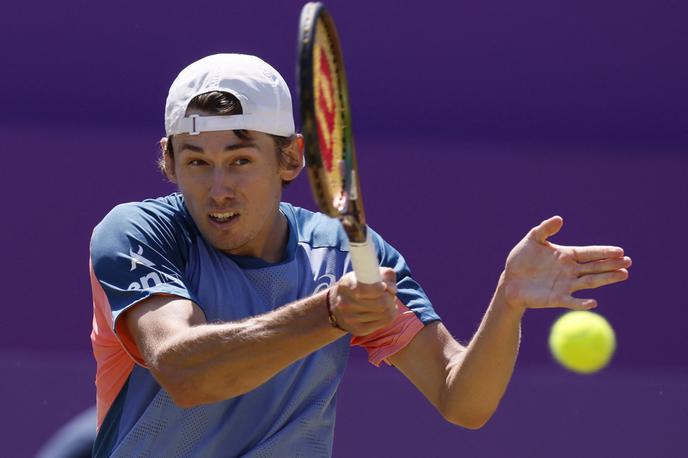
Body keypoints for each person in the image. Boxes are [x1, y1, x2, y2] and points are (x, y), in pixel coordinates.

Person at [89, 53, 632, 457]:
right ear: (169, 161)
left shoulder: (345, 255)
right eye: (197, 162)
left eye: (239, 159)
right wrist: (327, 315)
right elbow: (186, 373)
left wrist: (507, 301)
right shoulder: (138, 233)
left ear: (290, 158)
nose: (218, 188)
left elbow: (460, 398)